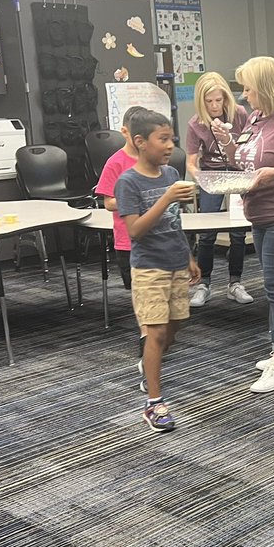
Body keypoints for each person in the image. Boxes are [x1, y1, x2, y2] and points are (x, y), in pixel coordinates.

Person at [215, 55, 274, 394]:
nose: (244, 96)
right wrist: (226, 141)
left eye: (248, 89)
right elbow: (243, 159)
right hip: (258, 211)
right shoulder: (256, 118)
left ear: (265, 88)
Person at [115, 108, 201, 432]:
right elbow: (135, 231)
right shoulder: (128, 182)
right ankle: (154, 403)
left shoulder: (170, 176)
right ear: (140, 142)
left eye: (172, 139)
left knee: (176, 325)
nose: (170, 146)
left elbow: (174, 223)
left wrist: (189, 256)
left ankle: (148, 362)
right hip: (149, 268)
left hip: (177, 261)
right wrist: (165, 199)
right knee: (156, 332)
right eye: (163, 139)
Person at [185, 71, 253, 308]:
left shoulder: (240, 114)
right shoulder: (196, 124)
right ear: (201, 102)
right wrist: (201, 179)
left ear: (225, 98)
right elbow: (191, 163)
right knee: (207, 233)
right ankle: (204, 284)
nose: (214, 105)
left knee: (238, 232)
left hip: (238, 174)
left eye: (218, 100)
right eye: (209, 101)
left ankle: (235, 282)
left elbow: (249, 148)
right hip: (212, 177)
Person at [95, 106, 147, 365]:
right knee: (138, 292)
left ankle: (153, 333)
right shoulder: (115, 162)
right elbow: (108, 202)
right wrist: (136, 200)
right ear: (125, 132)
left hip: (154, 236)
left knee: (155, 290)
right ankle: (146, 336)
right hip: (128, 240)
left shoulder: (153, 157)